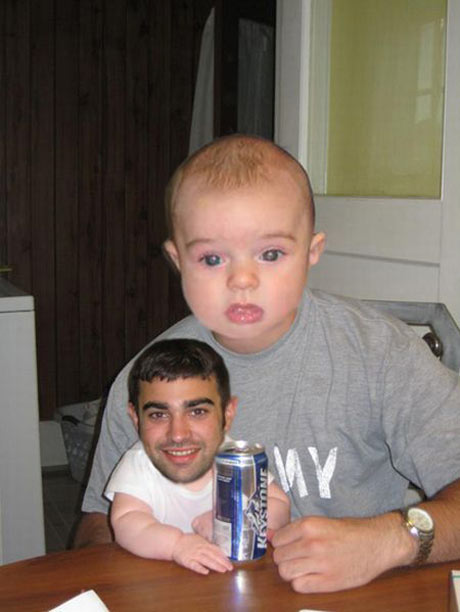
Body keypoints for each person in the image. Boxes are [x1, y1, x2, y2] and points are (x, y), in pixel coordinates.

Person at [75, 134, 460, 593]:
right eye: (212, 258)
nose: (242, 280)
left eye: (271, 253)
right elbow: (97, 525)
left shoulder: (384, 354)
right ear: (178, 260)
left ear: (312, 251)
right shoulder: (146, 379)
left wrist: (388, 540)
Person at [104, 338, 290, 575]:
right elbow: (127, 522)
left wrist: (233, 522)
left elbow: (279, 505)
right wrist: (177, 544)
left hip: (231, 577)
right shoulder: (138, 463)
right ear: (135, 417)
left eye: (197, 412)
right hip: (163, 581)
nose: (178, 434)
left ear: (227, 414)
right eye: (159, 415)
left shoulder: (235, 458)